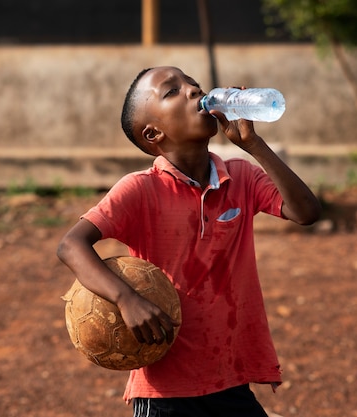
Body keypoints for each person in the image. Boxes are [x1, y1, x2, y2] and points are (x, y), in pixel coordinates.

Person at [57, 66, 321, 417]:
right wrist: (126, 299)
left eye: (193, 84)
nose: (194, 91)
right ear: (153, 133)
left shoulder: (240, 177)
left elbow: (305, 212)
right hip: (165, 391)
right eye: (172, 91)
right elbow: (71, 245)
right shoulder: (140, 189)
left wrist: (254, 145)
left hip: (231, 378)